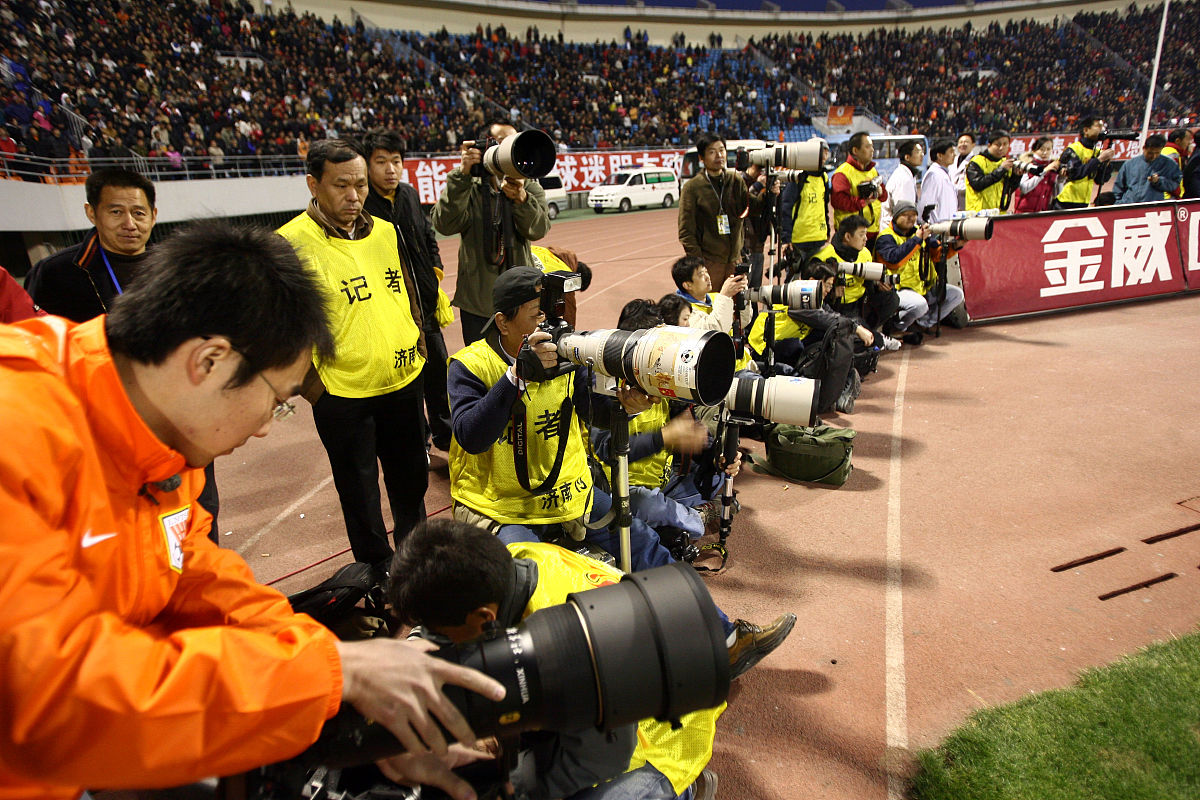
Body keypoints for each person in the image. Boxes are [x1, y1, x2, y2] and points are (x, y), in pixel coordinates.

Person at [0, 220, 506, 800]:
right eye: (276, 401)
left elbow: (196, 579)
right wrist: (322, 679)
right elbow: (44, 702)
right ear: (209, 361)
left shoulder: (155, 431)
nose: (267, 427)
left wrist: (343, 683)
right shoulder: (17, 428)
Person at [445, 267, 794, 665]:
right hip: (502, 506)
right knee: (529, 584)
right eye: (534, 315)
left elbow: (589, 413)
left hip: (568, 493)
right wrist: (514, 377)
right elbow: (471, 435)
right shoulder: (470, 365)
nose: (547, 324)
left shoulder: (563, 355)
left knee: (646, 545)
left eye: (548, 314)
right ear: (504, 322)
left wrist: (623, 407)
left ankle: (724, 639)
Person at [389, 521, 725, 800]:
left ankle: (683, 790)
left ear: (483, 616)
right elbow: (440, 624)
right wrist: (413, 651)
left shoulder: (565, 644)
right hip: (598, 700)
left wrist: (495, 787)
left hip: (657, 740)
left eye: (439, 631)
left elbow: (595, 761)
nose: (437, 637)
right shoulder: (501, 565)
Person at [277, 139, 429, 579]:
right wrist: (312, 386)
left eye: (360, 185)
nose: (354, 196)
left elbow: (409, 293)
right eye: (341, 185)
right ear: (313, 184)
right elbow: (283, 325)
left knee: (410, 479)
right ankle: (377, 571)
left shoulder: (386, 231)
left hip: (402, 379)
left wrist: (419, 342)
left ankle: (415, 559)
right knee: (358, 490)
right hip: (341, 394)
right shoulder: (289, 244)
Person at [362, 129, 452, 453]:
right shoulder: (363, 204)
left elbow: (428, 234)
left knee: (437, 373)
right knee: (408, 379)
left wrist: (435, 268)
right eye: (381, 161)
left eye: (396, 161)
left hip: (425, 304)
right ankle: (420, 440)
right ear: (367, 165)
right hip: (394, 310)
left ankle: (445, 435)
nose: (390, 169)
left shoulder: (409, 194)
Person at [432, 121, 551, 345]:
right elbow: (445, 225)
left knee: (522, 365)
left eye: (515, 143)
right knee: (481, 368)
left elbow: (538, 229)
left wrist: (522, 200)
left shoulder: (529, 187)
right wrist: (462, 176)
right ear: (485, 146)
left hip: (522, 299)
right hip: (478, 302)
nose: (510, 150)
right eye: (502, 143)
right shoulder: (469, 186)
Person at [25, 168, 158, 322]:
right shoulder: (54, 273)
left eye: (138, 213)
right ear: (91, 213)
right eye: (116, 212)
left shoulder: (173, 266)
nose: (129, 224)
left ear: (153, 216)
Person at [678, 132, 764, 289]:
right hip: (710, 263)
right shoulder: (692, 188)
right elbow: (685, 231)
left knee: (737, 309)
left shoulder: (735, 180)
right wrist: (700, 263)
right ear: (701, 158)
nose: (719, 155)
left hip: (735, 261)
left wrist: (769, 192)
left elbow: (753, 207)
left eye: (722, 150)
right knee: (713, 307)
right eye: (712, 152)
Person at [875, 201, 965, 336]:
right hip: (897, 289)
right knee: (920, 304)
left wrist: (956, 245)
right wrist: (917, 240)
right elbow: (895, 260)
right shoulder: (886, 237)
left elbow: (938, 254)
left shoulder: (920, 233)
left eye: (914, 215)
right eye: (906, 215)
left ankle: (923, 323)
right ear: (895, 217)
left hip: (923, 287)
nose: (911, 219)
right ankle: (898, 326)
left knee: (956, 294)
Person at [670, 255, 756, 374]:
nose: (707, 277)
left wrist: (742, 293)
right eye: (701, 275)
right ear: (687, 285)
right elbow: (714, 332)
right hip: (723, 373)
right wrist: (725, 296)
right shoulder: (683, 311)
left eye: (706, 272)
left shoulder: (716, 297)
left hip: (741, 363)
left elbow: (744, 321)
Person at [780, 140, 832, 278]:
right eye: (821, 152)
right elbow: (786, 207)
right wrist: (786, 238)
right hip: (799, 240)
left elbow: (824, 205)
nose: (824, 156)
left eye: (826, 152)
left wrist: (826, 228)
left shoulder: (824, 177)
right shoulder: (799, 177)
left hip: (818, 238)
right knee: (794, 281)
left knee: (814, 280)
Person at [831, 131, 888, 245]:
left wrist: (880, 193)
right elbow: (839, 202)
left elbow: (884, 197)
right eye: (867, 147)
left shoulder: (872, 170)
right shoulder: (842, 173)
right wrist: (864, 201)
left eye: (872, 146)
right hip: (850, 236)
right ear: (855, 151)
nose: (872, 150)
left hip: (872, 232)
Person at [1052, 117, 1117, 210]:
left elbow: (1100, 180)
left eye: (1103, 126)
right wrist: (1098, 160)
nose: (1102, 129)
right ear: (1086, 130)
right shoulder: (1073, 149)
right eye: (1098, 126)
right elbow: (1075, 174)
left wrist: (1106, 164)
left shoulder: (1097, 152)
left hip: (1084, 202)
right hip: (1065, 200)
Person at [1112, 134, 1181, 205]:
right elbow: (1118, 187)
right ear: (1144, 148)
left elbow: (1175, 183)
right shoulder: (1130, 164)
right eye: (1150, 153)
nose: (1153, 156)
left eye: (1157, 153)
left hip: (1154, 207)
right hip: (1130, 206)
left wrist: (1159, 181)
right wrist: (1118, 203)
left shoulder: (1169, 164)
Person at [965, 130, 1018, 214]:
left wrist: (1017, 175)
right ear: (989, 145)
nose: (1001, 148)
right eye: (998, 144)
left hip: (999, 212)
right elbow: (977, 184)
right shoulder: (976, 161)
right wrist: (1001, 170)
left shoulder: (1005, 162)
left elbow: (1010, 188)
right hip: (978, 213)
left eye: (1005, 144)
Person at [880, 139, 925, 230]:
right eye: (917, 152)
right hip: (895, 231)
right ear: (907, 157)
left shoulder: (907, 175)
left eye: (922, 152)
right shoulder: (903, 179)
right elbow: (904, 213)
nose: (922, 155)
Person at [1012, 136, 1061, 214]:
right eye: (1041, 149)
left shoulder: (1052, 168)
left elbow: (1055, 194)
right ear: (1034, 150)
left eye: (1048, 149)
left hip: (1042, 212)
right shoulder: (1027, 165)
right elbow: (1024, 188)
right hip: (1024, 212)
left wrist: (1061, 180)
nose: (1045, 152)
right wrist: (1044, 171)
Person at [918, 138, 958, 223]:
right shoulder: (933, 175)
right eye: (951, 152)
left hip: (946, 225)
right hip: (938, 228)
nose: (954, 155)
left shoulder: (943, 173)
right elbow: (927, 205)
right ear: (939, 156)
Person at [1162, 128, 1193, 199]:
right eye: (1188, 139)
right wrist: (1178, 195)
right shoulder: (1172, 154)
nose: (1189, 143)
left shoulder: (1166, 150)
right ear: (1178, 141)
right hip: (1168, 198)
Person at [949, 132, 977, 211]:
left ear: (973, 145)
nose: (963, 144)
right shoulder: (953, 160)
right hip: (952, 200)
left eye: (966, 142)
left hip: (967, 200)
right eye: (960, 142)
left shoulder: (976, 160)